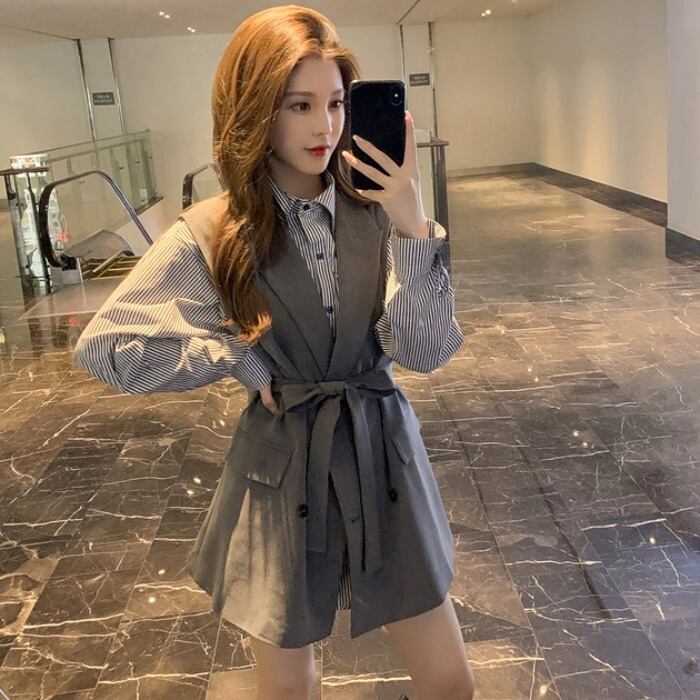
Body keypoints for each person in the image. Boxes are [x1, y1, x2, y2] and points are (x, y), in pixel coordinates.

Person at [73, 5, 475, 699]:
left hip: (383, 452)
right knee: (289, 689)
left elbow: (426, 350)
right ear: (256, 108)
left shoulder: (381, 210)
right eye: (300, 105)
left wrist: (413, 223)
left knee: (449, 684)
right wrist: (231, 355)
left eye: (336, 103)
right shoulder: (213, 231)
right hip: (283, 464)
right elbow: (104, 347)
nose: (325, 127)